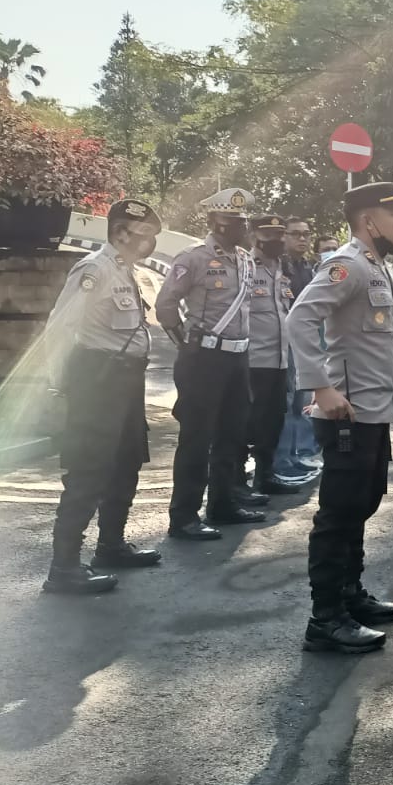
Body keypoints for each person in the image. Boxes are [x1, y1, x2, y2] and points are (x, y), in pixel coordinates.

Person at [285, 181, 393, 654]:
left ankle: (350, 593)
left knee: (362, 503)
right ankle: (325, 618)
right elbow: (299, 318)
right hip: (346, 412)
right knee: (338, 514)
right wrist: (320, 386)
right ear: (367, 219)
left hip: (373, 411)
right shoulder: (348, 265)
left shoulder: (381, 268)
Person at [39, 199, 164, 594]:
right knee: (88, 469)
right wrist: (58, 385)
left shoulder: (126, 270)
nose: (150, 242)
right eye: (143, 234)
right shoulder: (94, 269)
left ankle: (111, 545)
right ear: (120, 232)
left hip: (127, 381)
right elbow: (61, 327)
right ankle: (63, 567)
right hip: (97, 381)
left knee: (127, 461)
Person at [155, 188, 268, 541]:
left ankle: (223, 504)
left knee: (232, 435)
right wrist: (185, 344)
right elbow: (166, 305)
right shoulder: (193, 258)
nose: (243, 228)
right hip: (204, 358)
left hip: (238, 357)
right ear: (216, 223)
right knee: (196, 437)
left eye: (243, 221)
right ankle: (184, 516)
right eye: (235, 222)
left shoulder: (246, 260)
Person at [236, 214, 297, 496]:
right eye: (269, 235)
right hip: (253, 360)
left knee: (274, 420)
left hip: (279, 360)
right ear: (254, 236)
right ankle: (237, 482)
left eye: (280, 234)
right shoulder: (244, 266)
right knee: (246, 422)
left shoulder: (283, 268)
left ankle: (265, 475)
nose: (277, 240)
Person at [274, 216, 323, 483]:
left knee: (300, 404)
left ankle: (295, 456)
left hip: (303, 343)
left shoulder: (307, 267)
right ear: (284, 237)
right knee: (285, 402)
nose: (302, 238)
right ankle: (281, 460)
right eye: (295, 234)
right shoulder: (277, 265)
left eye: (306, 233)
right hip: (281, 343)